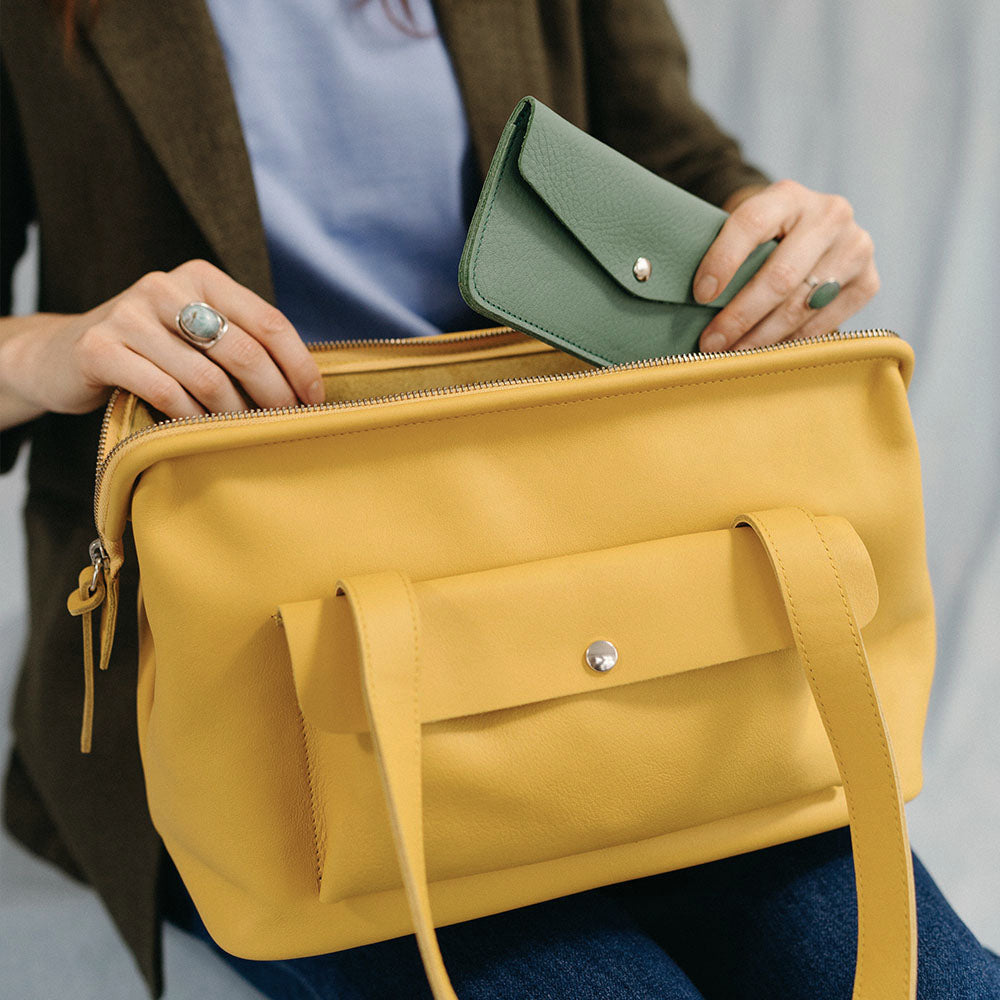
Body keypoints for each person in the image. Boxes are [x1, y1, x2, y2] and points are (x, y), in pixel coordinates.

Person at [0, 1, 996, 997]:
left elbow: (671, 156)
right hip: (271, 688)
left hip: (619, 607)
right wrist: (49, 347)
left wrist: (783, 247)